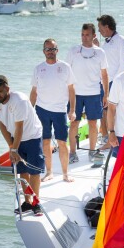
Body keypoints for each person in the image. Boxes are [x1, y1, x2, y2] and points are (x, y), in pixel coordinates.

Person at [0, 75, 44, 216]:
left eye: (0, 92)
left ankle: (36, 202)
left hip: (32, 136)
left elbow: (19, 127)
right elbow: (1, 124)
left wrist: (14, 149)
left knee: (34, 171)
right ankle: (27, 201)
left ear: (7, 89)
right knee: (22, 171)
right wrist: (11, 146)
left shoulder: (19, 100)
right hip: (16, 138)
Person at [30, 39, 76, 182]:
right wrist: (30, 111)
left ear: (57, 50)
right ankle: (49, 172)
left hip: (59, 110)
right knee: (45, 142)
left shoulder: (65, 67)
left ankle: (65, 173)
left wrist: (72, 110)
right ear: (44, 51)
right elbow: (33, 91)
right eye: (48, 49)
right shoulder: (38, 68)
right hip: (42, 109)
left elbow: (71, 89)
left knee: (62, 142)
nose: (50, 52)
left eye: (53, 49)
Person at [66, 23, 109, 163]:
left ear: (94, 36)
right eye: (83, 35)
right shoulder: (73, 51)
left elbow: (105, 75)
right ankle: (72, 153)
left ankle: (92, 152)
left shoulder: (100, 53)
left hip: (94, 93)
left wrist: (106, 95)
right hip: (76, 94)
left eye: (87, 35)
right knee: (74, 124)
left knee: (93, 123)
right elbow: (66, 73)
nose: (84, 38)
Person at [96, 15, 124, 149]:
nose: (99, 31)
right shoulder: (105, 43)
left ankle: (111, 140)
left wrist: (115, 82)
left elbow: (123, 63)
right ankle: (105, 137)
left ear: (107, 27)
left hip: (113, 81)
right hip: (103, 81)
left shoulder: (121, 40)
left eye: (100, 28)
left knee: (111, 110)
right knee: (102, 110)